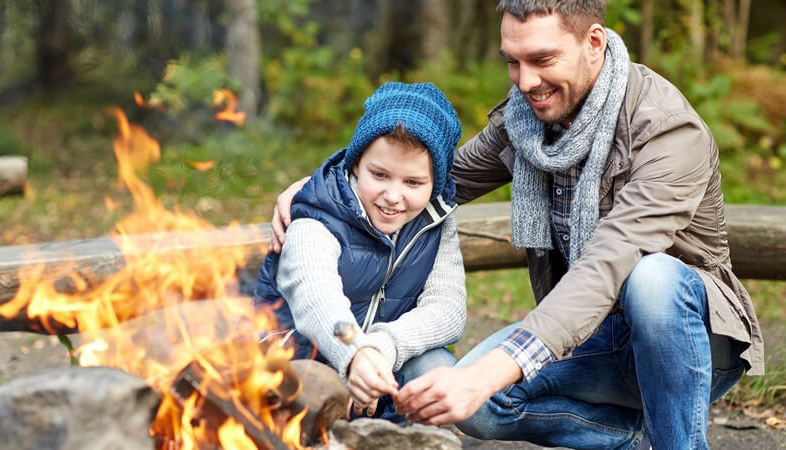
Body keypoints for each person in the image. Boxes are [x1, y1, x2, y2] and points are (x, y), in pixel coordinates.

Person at [270, 1, 764, 448]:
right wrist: (329, 185)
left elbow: (608, 264)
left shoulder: (668, 133)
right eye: (513, 60)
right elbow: (436, 177)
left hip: (686, 339)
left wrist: (488, 374)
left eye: (542, 60)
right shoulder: (525, 120)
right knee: (470, 406)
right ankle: (626, 436)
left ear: (594, 42)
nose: (525, 80)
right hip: (591, 337)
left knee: (651, 279)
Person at [255, 81, 466, 420]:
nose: (393, 196)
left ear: (434, 183)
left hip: (380, 366)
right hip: (297, 367)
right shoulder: (315, 219)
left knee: (437, 366)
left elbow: (448, 311)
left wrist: (382, 347)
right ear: (355, 165)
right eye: (379, 175)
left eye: (413, 183)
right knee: (309, 384)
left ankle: (400, 433)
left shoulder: (434, 222)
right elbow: (318, 301)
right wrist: (355, 351)